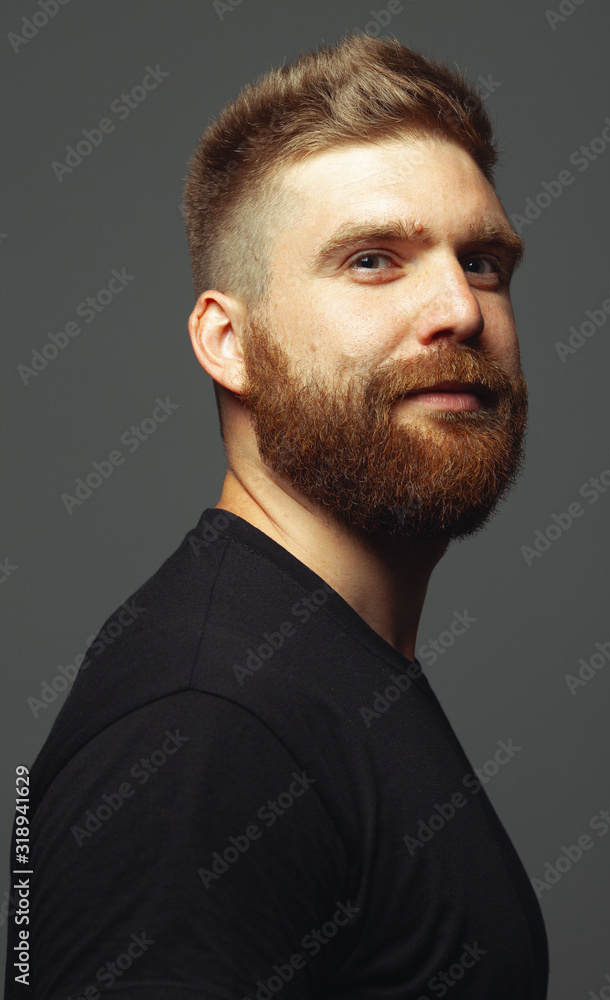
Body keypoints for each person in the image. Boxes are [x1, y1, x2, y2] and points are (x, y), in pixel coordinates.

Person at [5, 33, 548, 998]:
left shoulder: (322, 668)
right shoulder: (203, 725)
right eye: (375, 259)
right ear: (230, 341)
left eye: (484, 262)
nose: (458, 309)